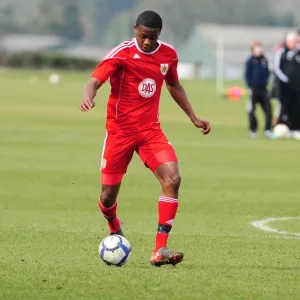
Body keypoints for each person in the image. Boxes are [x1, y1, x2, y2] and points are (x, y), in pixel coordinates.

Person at [80, 11, 211, 267]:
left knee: (173, 178)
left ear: (159, 34)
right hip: (119, 133)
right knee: (107, 197)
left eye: (152, 37)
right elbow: (94, 80)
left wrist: (193, 117)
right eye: (143, 36)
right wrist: (89, 96)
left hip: (150, 131)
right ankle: (114, 225)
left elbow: (173, 85)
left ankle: (159, 250)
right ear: (135, 30)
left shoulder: (168, 55)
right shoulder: (122, 53)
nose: (147, 42)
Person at [244, 41, 274, 139]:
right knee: (251, 111)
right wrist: (250, 86)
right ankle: (253, 130)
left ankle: (267, 130)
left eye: (260, 48)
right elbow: (247, 75)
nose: (259, 50)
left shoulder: (265, 60)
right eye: (257, 48)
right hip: (253, 90)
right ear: (253, 50)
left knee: (268, 110)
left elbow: (268, 73)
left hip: (263, 90)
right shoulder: (250, 61)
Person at [274, 31, 300, 139]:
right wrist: (285, 79)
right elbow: (276, 67)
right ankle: (279, 128)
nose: (295, 43)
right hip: (284, 86)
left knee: (296, 108)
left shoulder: (298, 52)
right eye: (293, 41)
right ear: (288, 41)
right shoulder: (282, 52)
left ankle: (295, 129)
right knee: (283, 107)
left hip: (297, 86)